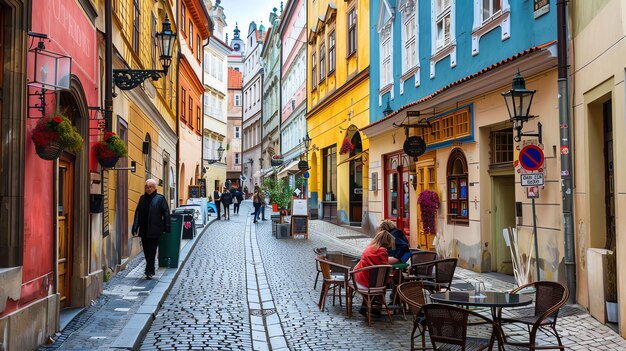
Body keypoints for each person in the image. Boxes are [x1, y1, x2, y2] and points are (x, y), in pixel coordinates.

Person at [132, 179, 171, 279]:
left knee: (152, 251)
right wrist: (135, 226)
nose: (148, 189)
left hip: (155, 229)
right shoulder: (142, 199)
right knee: (146, 250)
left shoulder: (160, 199)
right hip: (144, 230)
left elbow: (166, 213)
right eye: (146, 187)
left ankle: (149, 270)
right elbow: (138, 213)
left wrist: (167, 226)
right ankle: (150, 268)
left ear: (155, 188)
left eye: (150, 187)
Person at [353, 230, 395, 315]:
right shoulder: (382, 251)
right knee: (381, 284)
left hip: (358, 277)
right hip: (366, 280)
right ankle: (376, 307)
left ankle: (367, 307)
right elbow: (384, 268)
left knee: (378, 282)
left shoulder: (370, 247)